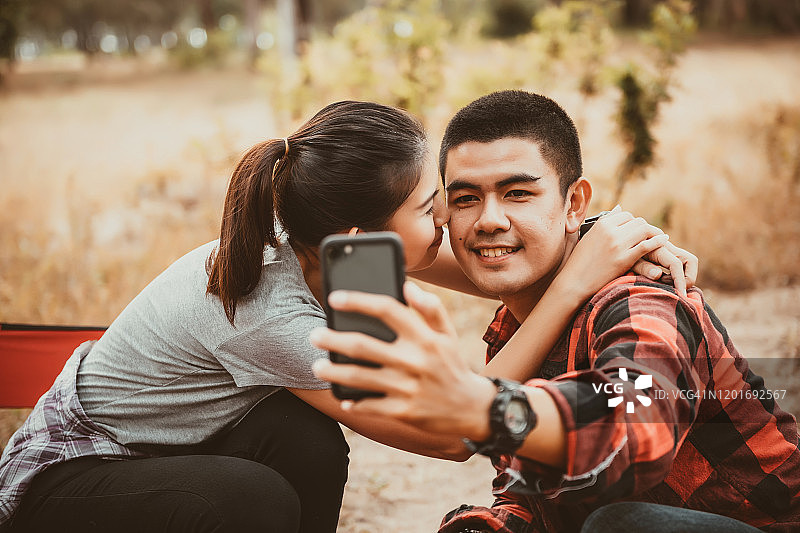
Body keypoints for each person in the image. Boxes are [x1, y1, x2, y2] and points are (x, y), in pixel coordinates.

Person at [0, 100, 691, 533]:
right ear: (365, 242)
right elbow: (451, 432)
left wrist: (599, 239)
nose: (452, 220)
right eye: (435, 207)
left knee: (308, 436)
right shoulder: (270, 314)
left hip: (165, 445)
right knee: (255, 501)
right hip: (66, 481)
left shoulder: (321, 232)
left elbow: (501, 261)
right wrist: (574, 284)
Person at [312, 91, 800, 533]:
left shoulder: (642, 300)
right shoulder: (514, 331)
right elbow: (540, 501)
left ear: (574, 205)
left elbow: (633, 432)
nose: (489, 220)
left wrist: (485, 406)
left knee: (620, 525)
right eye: (465, 199)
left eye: (518, 193)